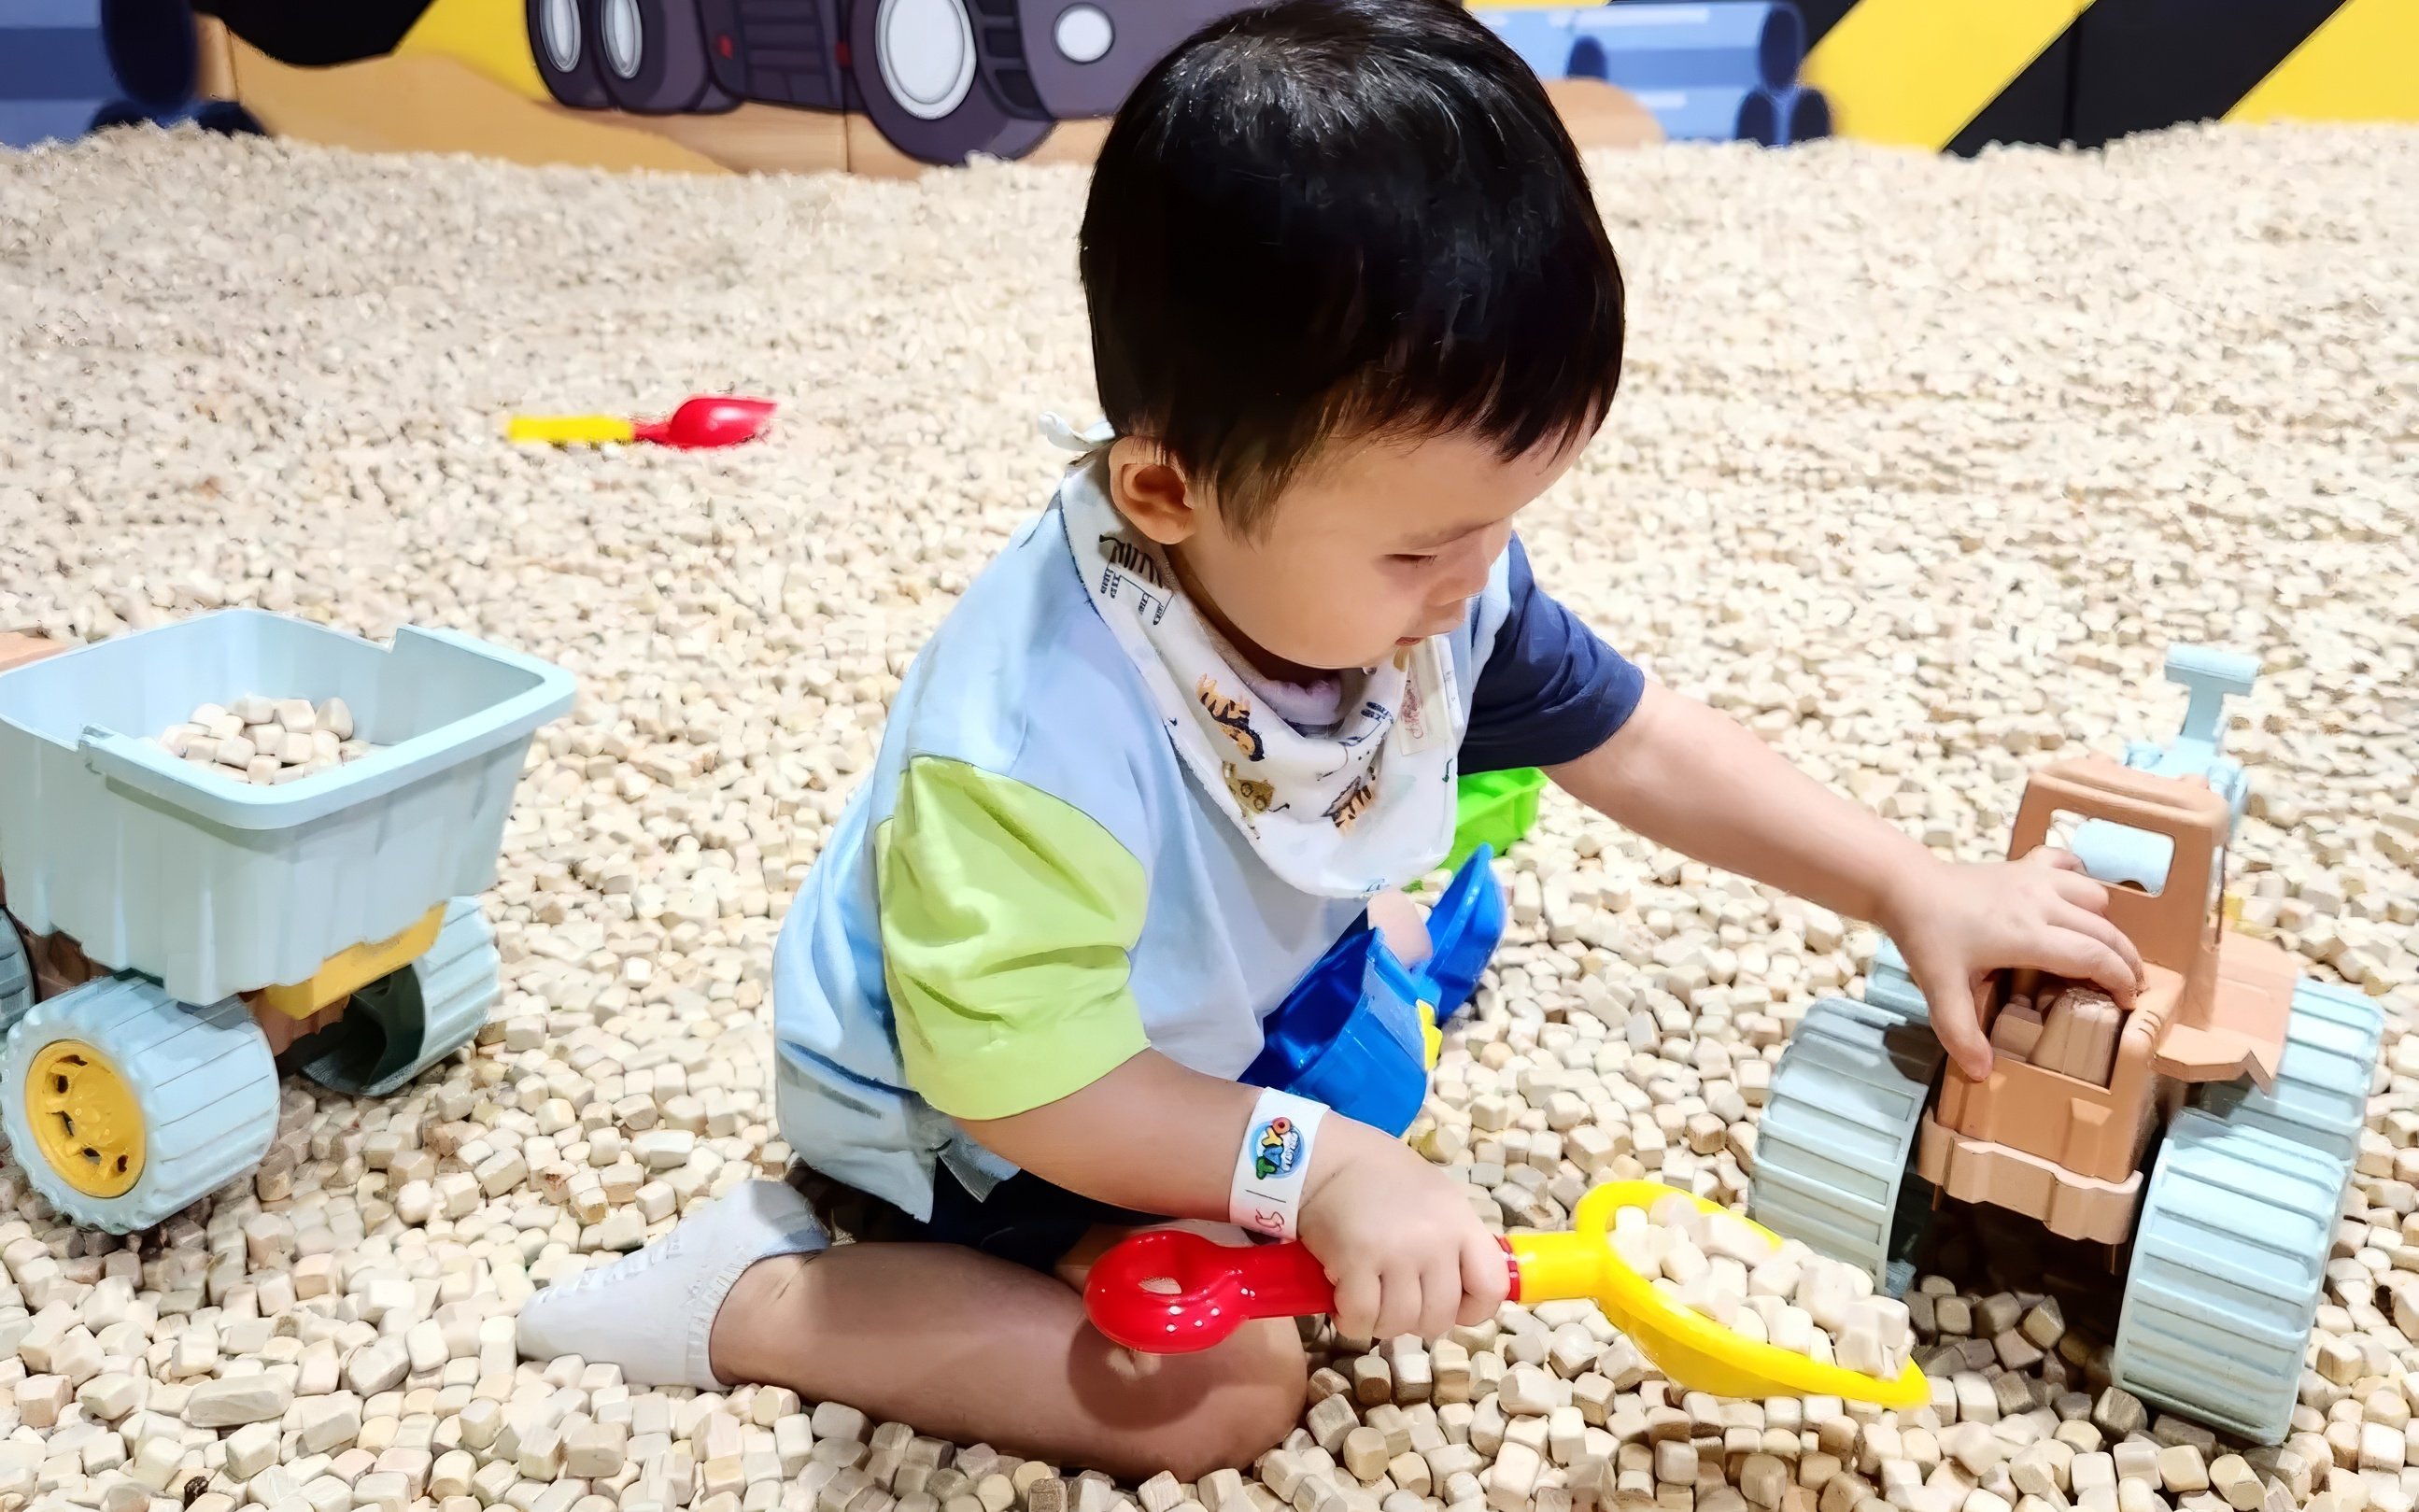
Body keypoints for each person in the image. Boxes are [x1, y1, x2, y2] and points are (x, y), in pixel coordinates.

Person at [516, 0, 2141, 1478]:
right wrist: (1322, 1176)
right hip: (973, 1111)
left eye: (1501, 526)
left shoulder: (1415, 580)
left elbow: (1626, 734)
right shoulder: (1025, 756)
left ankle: (1316, 1032)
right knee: (1228, 1392)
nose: (1471, 589)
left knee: (1385, 1063)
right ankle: (754, 1295)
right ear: (1164, 492)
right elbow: (1030, 1085)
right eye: (1419, 550)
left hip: (1177, 1012)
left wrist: (1905, 884)